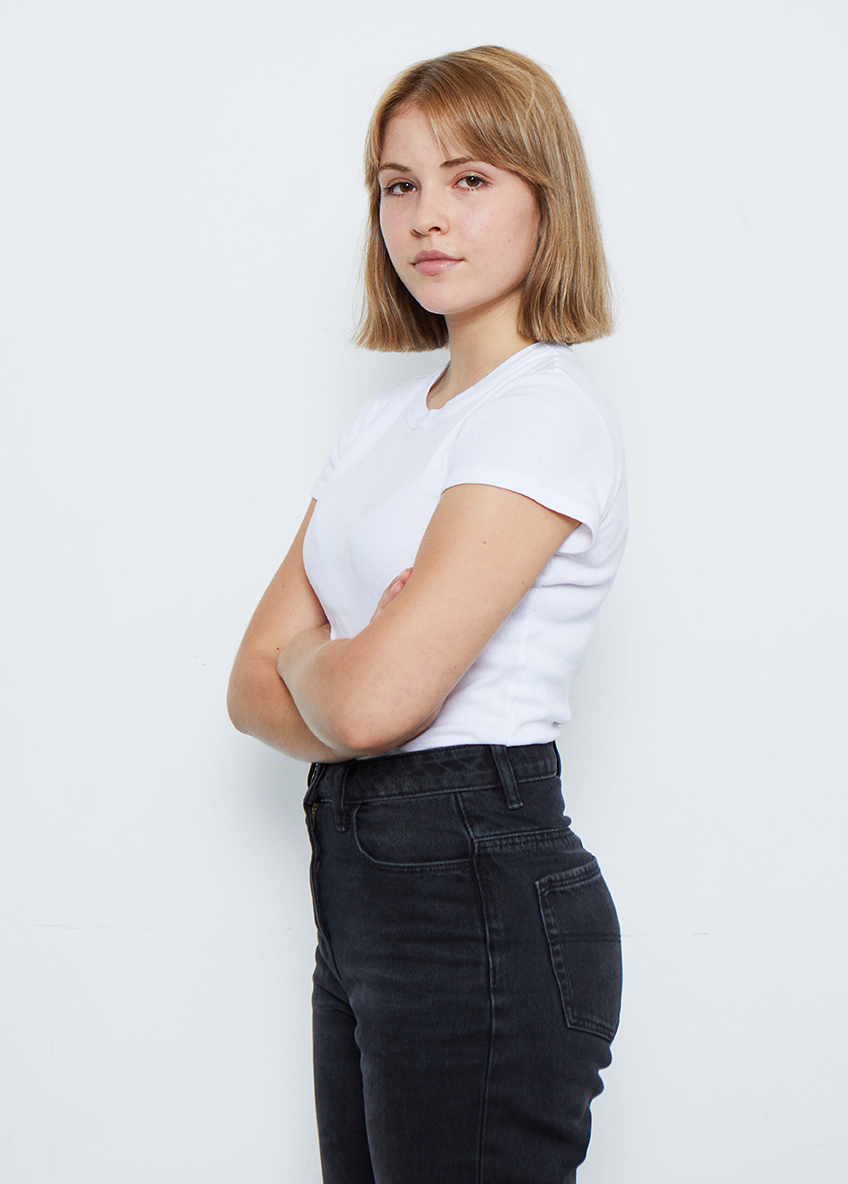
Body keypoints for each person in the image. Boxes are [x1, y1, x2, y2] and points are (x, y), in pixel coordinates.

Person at [227, 44, 627, 1184]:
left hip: (473, 889)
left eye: (469, 179)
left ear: (545, 196)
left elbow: (369, 708)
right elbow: (247, 684)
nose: (425, 217)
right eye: (398, 185)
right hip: (360, 895)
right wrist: (344, 663)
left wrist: (323, 660)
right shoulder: (386, 425)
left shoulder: (540, 413)